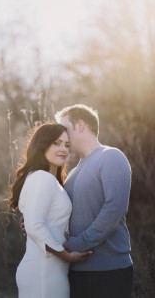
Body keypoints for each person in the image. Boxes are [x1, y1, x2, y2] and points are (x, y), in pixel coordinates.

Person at [55, 104, 133, 298]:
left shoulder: (111, 157)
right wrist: (33, 223)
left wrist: (79, 243)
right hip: (76, 271)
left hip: (108, 272)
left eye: (65, 129)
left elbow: (114, 209)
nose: (61, 137)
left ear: (80, 125)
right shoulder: (72, 173)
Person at [7, 123, 91, 298]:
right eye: (56, 143)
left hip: (49, 270)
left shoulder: (50, 180)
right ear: (42, 145)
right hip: (43, 271)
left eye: (67, 145)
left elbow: (35, 223)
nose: (63, 149)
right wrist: (67, 256)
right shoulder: (42, 178)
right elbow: (34, 225)